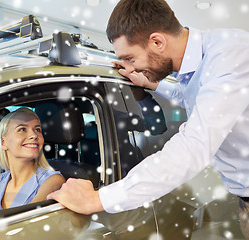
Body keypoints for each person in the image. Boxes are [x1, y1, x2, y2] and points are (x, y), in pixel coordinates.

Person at [47, 0, 249, 234]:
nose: (129, 66)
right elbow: (189, 97)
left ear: (157, 41)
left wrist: (98, 200)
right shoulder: (197, 67)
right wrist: (149, 83)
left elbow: (195, 145)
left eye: (130, 58)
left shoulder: (230, 54)